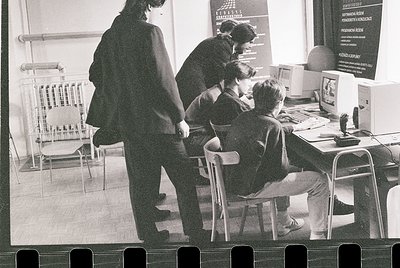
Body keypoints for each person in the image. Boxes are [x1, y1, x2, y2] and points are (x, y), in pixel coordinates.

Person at [86, 0, 212, 244]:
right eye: (156, 8)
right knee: (185, 180)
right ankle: (195, 234)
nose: (157, 13)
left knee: (140, 182)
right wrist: (179, 117)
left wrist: (121, 95)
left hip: (129, 124)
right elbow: (164, 80)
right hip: (160, 124)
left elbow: (95, 73)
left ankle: (148, 235)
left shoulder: (111, 34)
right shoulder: (150, 32)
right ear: (146, 7)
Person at [224, 79, 330, 239]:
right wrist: (296, 164)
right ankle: (318, 236)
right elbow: (279, 172)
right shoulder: (273, 126)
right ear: (279, 103)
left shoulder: (244, 116)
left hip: (236, 180)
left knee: (292, 167)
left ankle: (284, 221)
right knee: (320, 181)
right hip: (253, 187)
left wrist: (287, 129)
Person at [176, 23, 257, 109]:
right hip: (191, 85)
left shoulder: (230, 48)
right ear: (242, 39)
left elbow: (235, 74)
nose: (250, 46)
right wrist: (244, 100)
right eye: (250, 42)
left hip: (199, 82)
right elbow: (226, 79)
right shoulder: (221, 46)